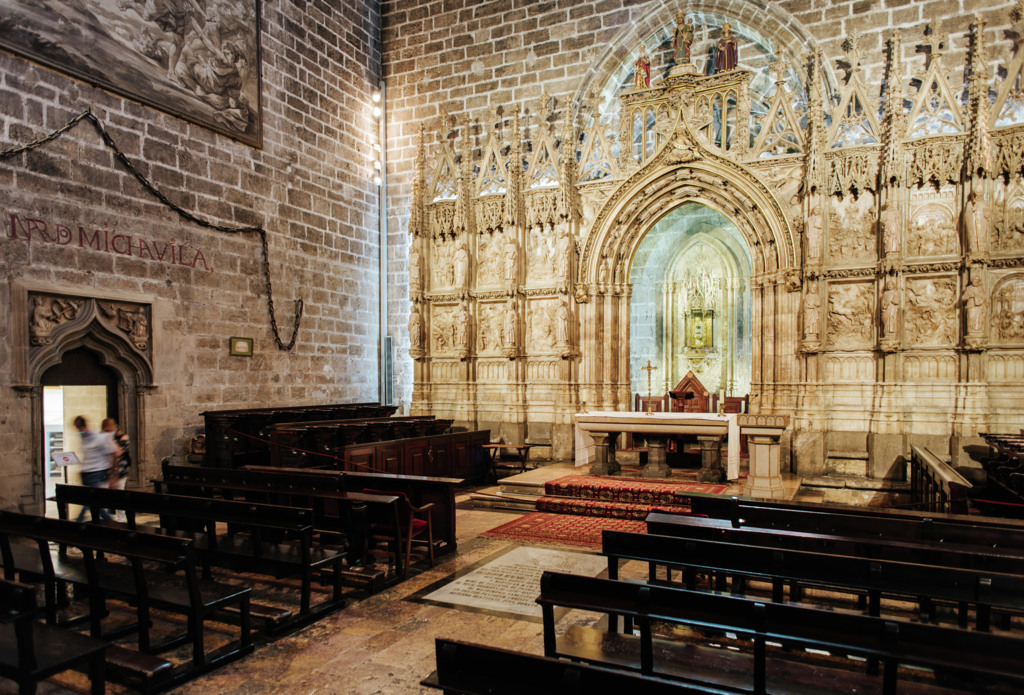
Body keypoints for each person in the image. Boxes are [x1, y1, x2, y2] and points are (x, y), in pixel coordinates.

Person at [73, 416, 117, 522]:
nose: (79, 431)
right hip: (87, 474)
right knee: (92, 500)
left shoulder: (98, 437)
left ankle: (79, 520)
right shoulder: (84, 439)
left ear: (85, 426)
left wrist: (113, 475)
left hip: (97, 473)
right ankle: (109, 521)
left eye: (80, 428)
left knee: (91, 500)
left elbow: (114, 453)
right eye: (77, 428)